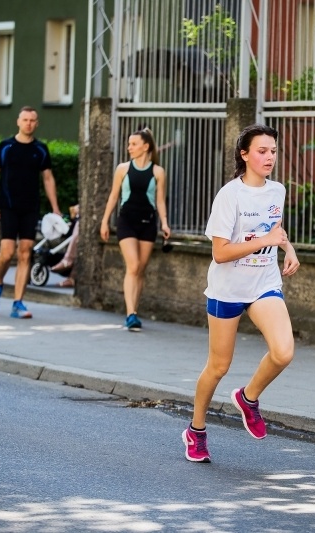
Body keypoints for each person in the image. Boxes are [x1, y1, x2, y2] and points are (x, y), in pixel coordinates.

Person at [182, 124, 300, 463]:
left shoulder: (278, 190)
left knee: (283, 352)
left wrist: (288, 248)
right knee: (218, 366)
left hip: (264, 283)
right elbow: (220, 253)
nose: (269, 157)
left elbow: (274, 230)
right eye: (262, 151)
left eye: (273, 151)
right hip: (228, 289)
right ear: (244, 155)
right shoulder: (229, 196)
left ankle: (248, 399)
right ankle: (196, 429)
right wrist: (264, 242)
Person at [0, 106, 61, 318]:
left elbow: (48, 179)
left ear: (36, 124)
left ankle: (18, 303)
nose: (28, 123)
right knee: (7, 253)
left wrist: (55, 208)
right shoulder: (5, 146)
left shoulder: (41, 149)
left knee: (26, 252)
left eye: (32, 120)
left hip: (31, 208)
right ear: (18, 122)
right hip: (8, 207)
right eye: (25, 119)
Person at [99, 128, 170, 331]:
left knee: (140, 269)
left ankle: (134, 311)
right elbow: (113, 196)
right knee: (133, 265)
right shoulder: (122, 169)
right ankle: (130, 314)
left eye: (133, 144)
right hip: (126, 222)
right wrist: (105, 221)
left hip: (148, 223)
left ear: (145, 146)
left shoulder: (158, 172)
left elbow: (160, 201)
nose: (129, 147)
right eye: (129, 144)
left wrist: (164, 222)